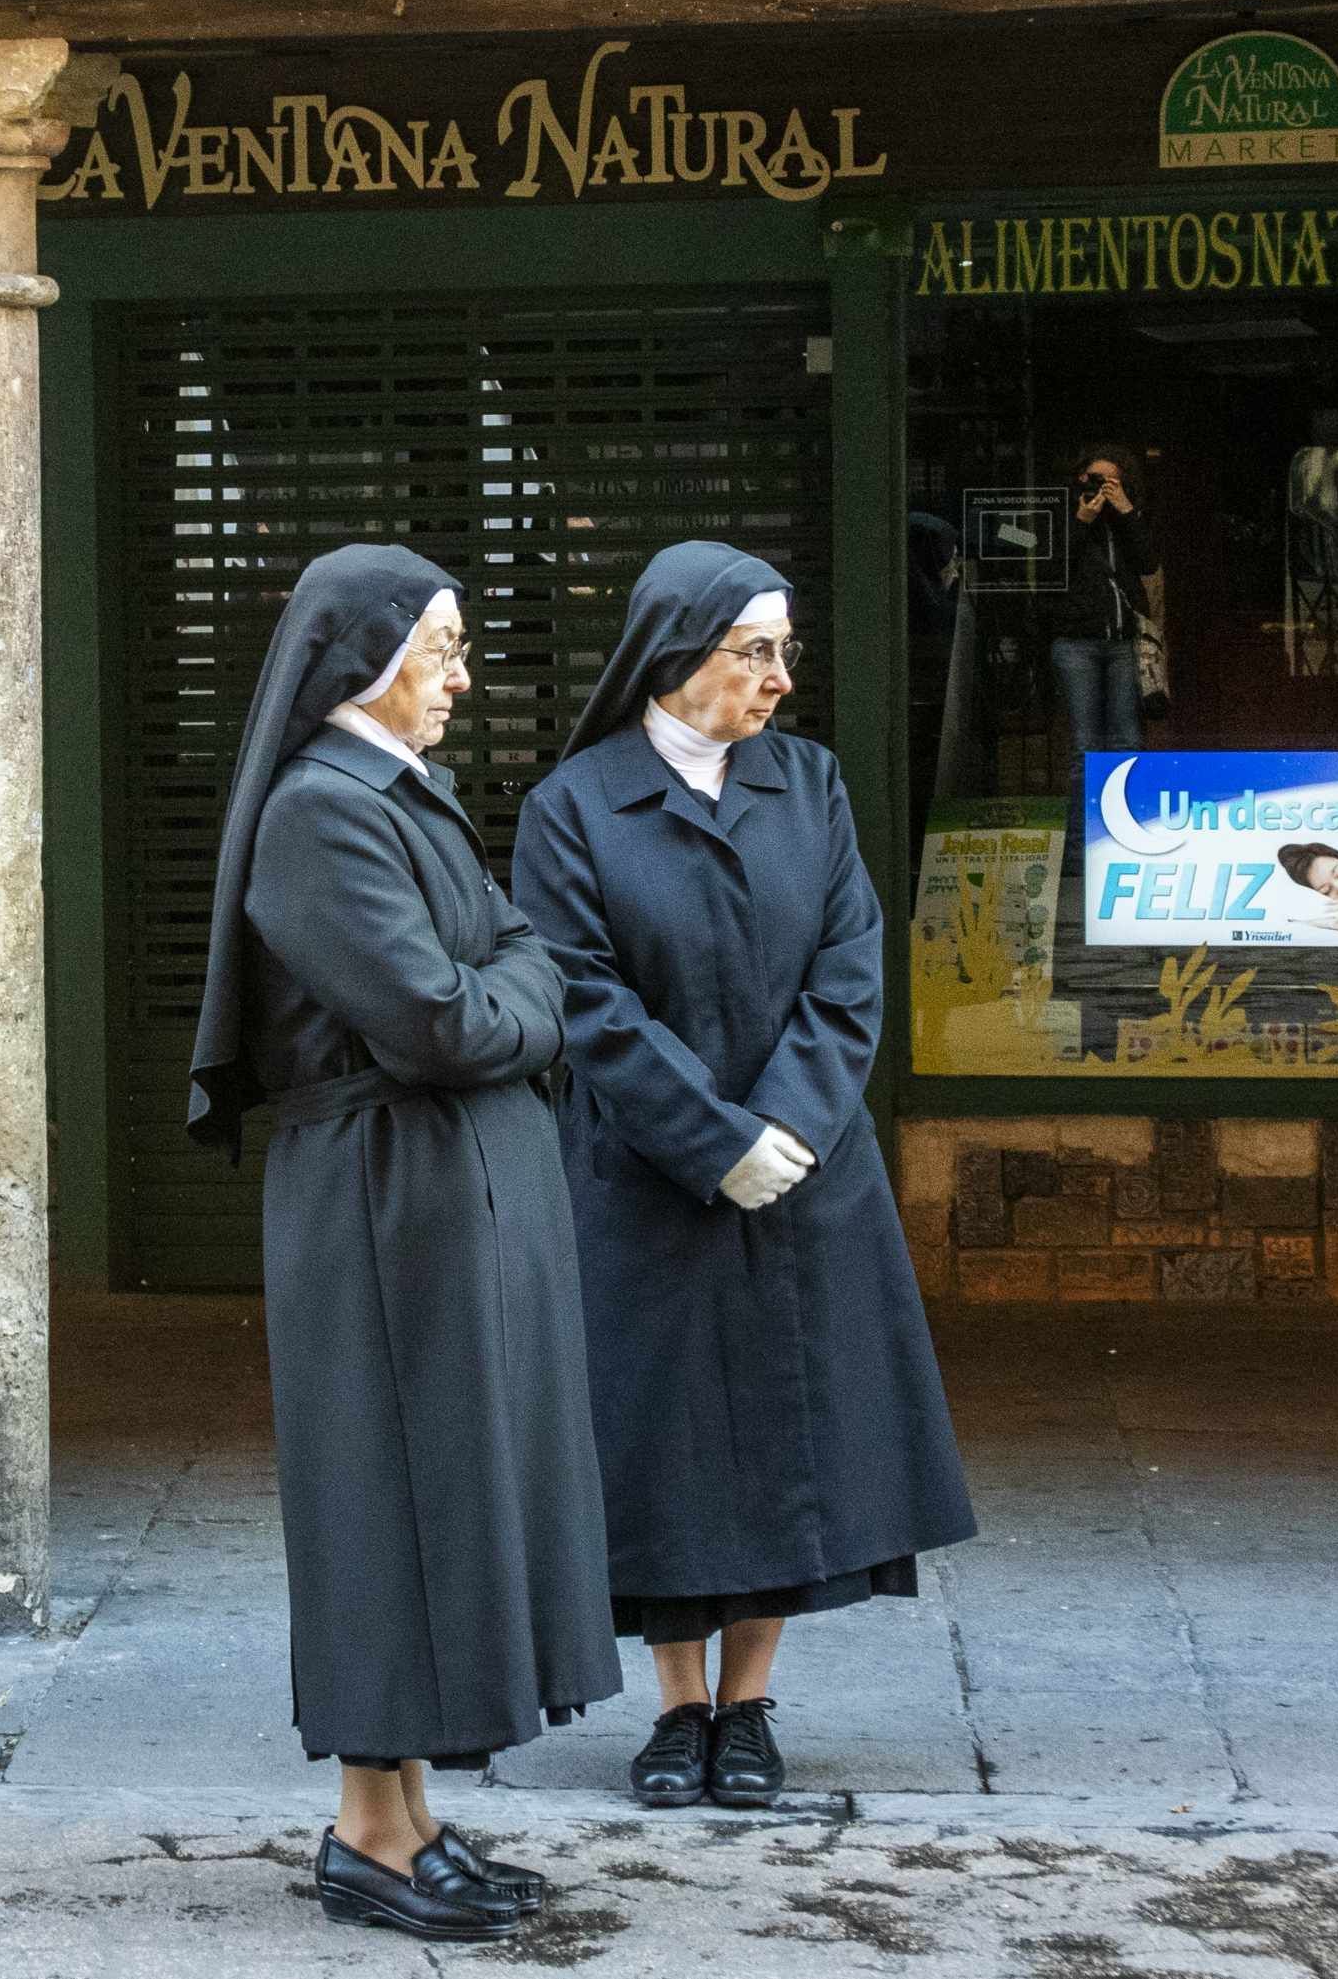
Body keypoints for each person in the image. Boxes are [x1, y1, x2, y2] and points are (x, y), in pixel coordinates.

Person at [186, 544, 619, 1946]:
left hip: (437, 1191)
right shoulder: (323, 814)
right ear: (367, 660)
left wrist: (509, 993)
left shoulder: (395, 799)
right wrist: (514, 1002)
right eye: (440, 649)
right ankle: (370, 1833)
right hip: (380, 1196)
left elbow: (521, 955)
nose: (460, 675)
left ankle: (412, 1816)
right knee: (385, 1500)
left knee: (447, 1497)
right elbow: (437, 1018)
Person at [512, 540, 977, 1813]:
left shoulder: (810, 784)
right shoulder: (573, 805)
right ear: (677, 655)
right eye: (753, 651)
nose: (778, 678)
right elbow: (583, 998)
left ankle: (751, 1704)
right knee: (663, 1441)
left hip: (805, 1168)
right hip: (646, 1175)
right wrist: (710, 1138)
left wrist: (786, 1126)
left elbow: (850, 966)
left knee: (786, 1431)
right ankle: (675, 1705)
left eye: (784, 651)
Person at [1043, 444, 1161, 759]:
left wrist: (1126, 511)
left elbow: (1148, 563)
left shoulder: (1126, 520)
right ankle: (1086, 809)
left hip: (1123, 643)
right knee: (1085, 745)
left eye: (1112, 482)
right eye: (1096, 478)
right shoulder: (1059, 514)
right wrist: (1081, 521)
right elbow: (1050, 570)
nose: (1101, 487)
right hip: (1076, 642)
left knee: (1128, 740)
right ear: (1081, 477)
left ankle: (1124, 805)